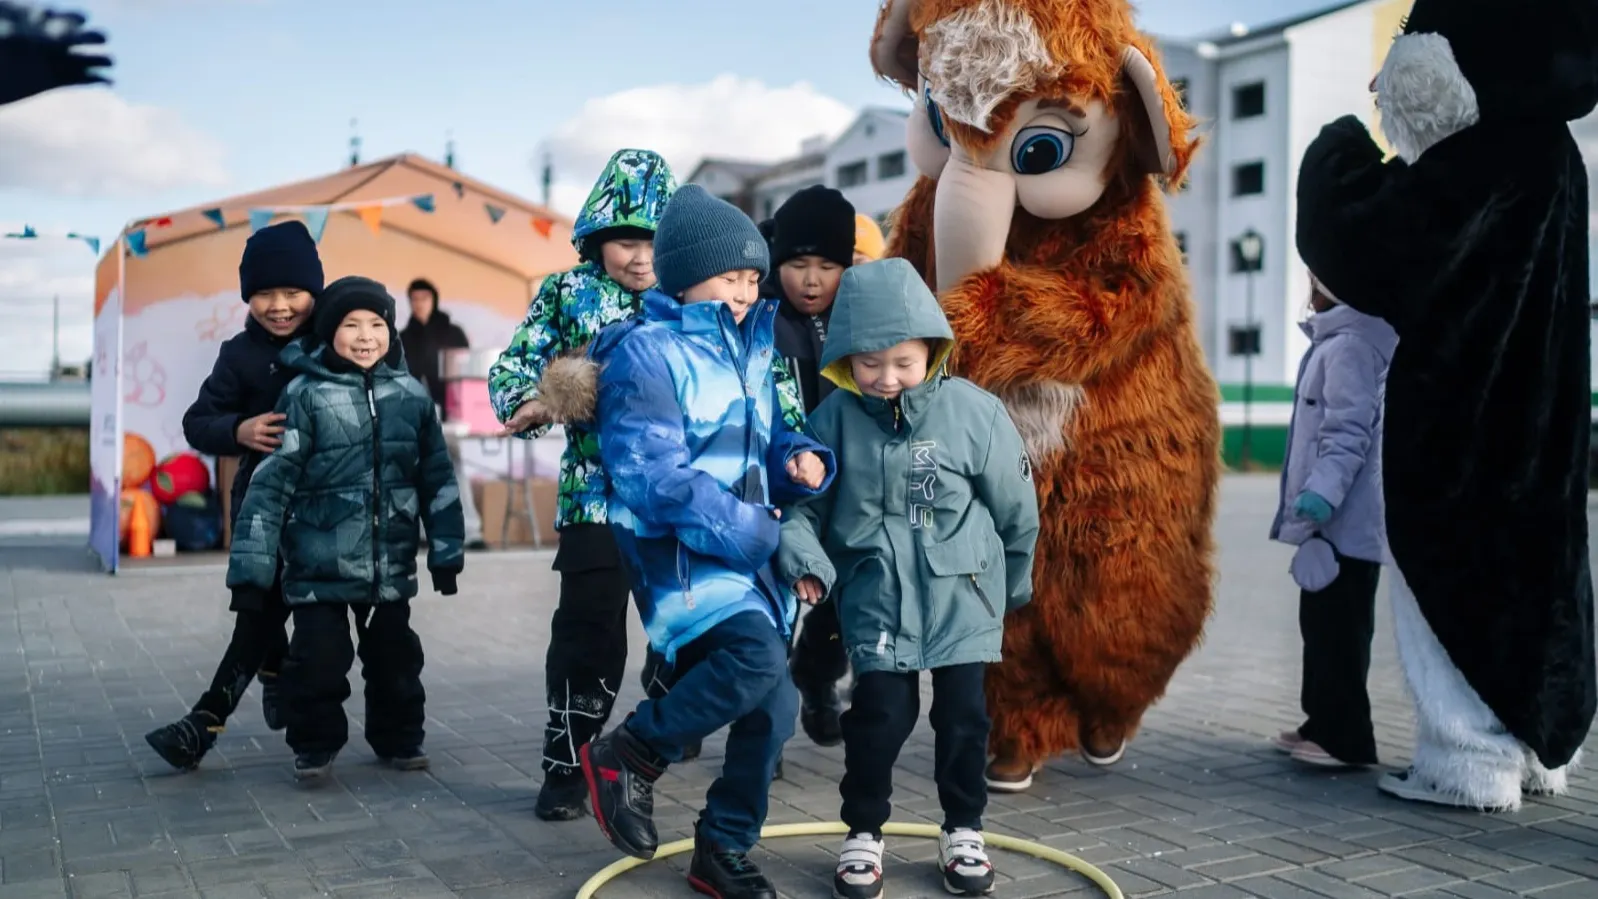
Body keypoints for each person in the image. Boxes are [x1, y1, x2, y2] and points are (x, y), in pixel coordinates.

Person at [1295, 0, 1596, 810]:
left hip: (1465, 429)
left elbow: (1367, 241)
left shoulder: (1481, 158)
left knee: (1456, 583)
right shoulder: (1557, 158)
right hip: (1546, 433)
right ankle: (1537, 750)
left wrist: (1338, 147)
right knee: (1540, 584)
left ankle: (1467, 763)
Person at [543, 184, 836, 899]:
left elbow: (764, 440)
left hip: (745, 556)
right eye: (730, 277)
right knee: (755, 658)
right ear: (685, 274)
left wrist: (799, 459)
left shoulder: (753, 347)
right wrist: (752, 530)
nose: (745, 292)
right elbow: (651, 476)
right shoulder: (646, 352)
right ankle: (630, 754)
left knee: (775, 707)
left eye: (752, 279)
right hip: (681, 559)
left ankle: (722, 847)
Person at [778, 258, 1039, 899]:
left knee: (964, 719)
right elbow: (801, 510)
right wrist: (806, 560)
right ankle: (864, 833)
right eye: (870, 363)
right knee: (879, 718)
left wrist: (1010, 587)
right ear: (846, 358)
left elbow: (1016, 511)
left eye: (903, 362)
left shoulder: (973, 413)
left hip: (962, 596)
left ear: (931, 350)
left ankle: (964, 829)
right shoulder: (832, 421)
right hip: (878, 599)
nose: (887, 377)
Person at [486, 149, 689, 821]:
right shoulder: (566, 292)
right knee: (588, 631)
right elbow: (516, 361)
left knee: (689, 627)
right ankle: (566, 765)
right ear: (598, 238)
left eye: (655, 241)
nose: (641, 256)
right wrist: (528, 399)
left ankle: (645, 741)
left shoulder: (694, 293)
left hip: (681, 497)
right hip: (595, 495)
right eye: (626, 240)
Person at [226, 276, 465, 780]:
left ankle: (400, 738)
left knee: (397, 659)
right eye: (351, 325)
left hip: (388, 565)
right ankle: (314, 745)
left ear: (390, 331)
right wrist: (251, 574)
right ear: (329, 332)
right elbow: (269, 488)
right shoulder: (304, 396)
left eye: (376, 324)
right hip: (318, 567)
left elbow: (437, 478)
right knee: (317, 660)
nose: (365, 337)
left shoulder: (412, 397)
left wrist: (447, 552)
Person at [144, 220, 322, 771]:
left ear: (314, 290)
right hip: (260, 514)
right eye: (264, 293)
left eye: (292, 292)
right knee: (258, 611)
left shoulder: (334, 343)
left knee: (291, 619)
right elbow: (197, 421)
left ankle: (259, 688)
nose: (279, 306)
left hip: (323, 512)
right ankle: (209, 720)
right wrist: (238, 430)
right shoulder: (239, 354)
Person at [1269, 274, 1395, 770]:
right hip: (1329, 524)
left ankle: (1347, 738)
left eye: (1317, 282)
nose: (1310, 291)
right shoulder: (1337, 341)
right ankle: (1320, 721)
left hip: (1346, 520)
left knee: (1340, 630)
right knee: (1319, 624)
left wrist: (1323, 493)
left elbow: (1348, 431)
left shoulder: (1352, 347)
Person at [768, 184, 857, 751]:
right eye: (798, 264)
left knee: (836, 600)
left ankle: (817, 677)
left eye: (828, 266)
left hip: (841, 487)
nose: (812, 280)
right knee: (770, 606)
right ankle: (762, 726)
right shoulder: (759, 315)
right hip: (775, 484)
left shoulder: (858, 317)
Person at [399, 277, 486, 551]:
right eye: (415, 299)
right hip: (416, 414)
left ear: (434, 300)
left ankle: (470, 531)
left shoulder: (452, 333)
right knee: (416, 470)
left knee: (454, 466)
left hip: (451, 414)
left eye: (424, 298)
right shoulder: (404, 337)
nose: (419, 304)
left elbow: (466, 373)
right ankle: (423, 532)